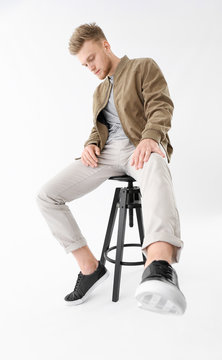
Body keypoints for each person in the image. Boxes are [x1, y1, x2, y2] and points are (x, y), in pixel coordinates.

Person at [36, 22, 186, 315]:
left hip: (139, 146)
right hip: (106, 155)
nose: (89, 67)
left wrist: (150, 137)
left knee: (155, 164)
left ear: (105, 45)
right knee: (46, 196)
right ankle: (89, 267)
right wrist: (90, 144)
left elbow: (161, 105)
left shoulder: (142, 67)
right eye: (84, 64)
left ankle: (158, 266)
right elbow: (99, 128)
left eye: (91, 58)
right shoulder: (99, 91)